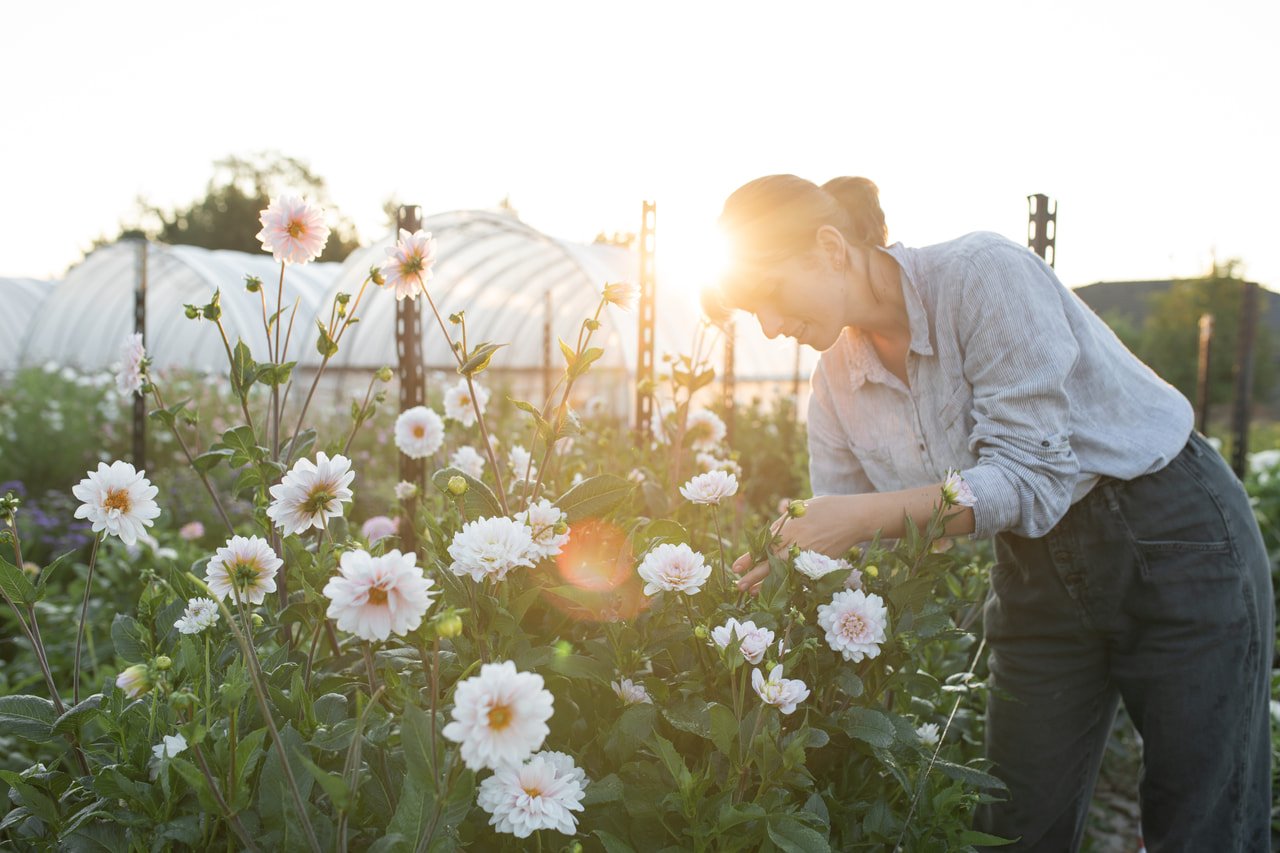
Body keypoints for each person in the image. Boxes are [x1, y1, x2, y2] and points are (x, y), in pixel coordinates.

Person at [713, 174, 1275, 852]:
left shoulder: (981, 275)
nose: (771, 327)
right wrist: (783, 590)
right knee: (1015, 825)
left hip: (1171, 530)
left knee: (1204, 820)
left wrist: (855, 518)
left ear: (831, 248)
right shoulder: (835, 381)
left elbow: (1035, 475)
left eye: (772, 294)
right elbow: (844, 543)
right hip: (1035, 559)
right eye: (755, 312)